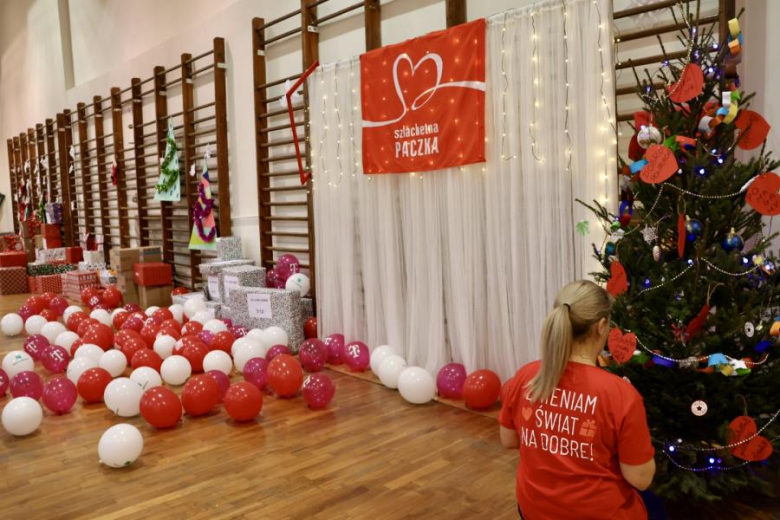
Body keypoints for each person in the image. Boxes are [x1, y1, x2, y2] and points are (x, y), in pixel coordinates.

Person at [499, 280, 656, 519]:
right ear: (601, 326)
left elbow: (508, 439)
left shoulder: (525, 376)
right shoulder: (621, 394)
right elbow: (641, 479)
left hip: (534, 509)